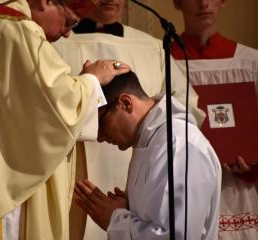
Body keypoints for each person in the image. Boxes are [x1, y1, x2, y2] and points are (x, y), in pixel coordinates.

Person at [0, 0, 132, 239]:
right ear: (46, 1)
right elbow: (58, 105)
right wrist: (93, 79)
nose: (66, 33)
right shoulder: (18, 30)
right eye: (70, 22)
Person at [51, 1, 205, 238]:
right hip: (72, 181)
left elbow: (187, 108)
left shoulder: (152, 47)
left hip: (147, 176)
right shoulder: (53, 45)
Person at [171, 0, 258, 239]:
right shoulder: (163, 60)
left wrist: (254, 165)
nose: (203, 3)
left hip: (234, 191)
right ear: (177, 3)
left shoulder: (253, 62)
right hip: (182, 187)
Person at [75, 71, 222, 239]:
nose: (99, 137)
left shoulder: (180, 145)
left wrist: (115, 220)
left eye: (99, 123)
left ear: (125, 103)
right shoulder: (149, 141)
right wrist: (130, 210)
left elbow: (177, 235)